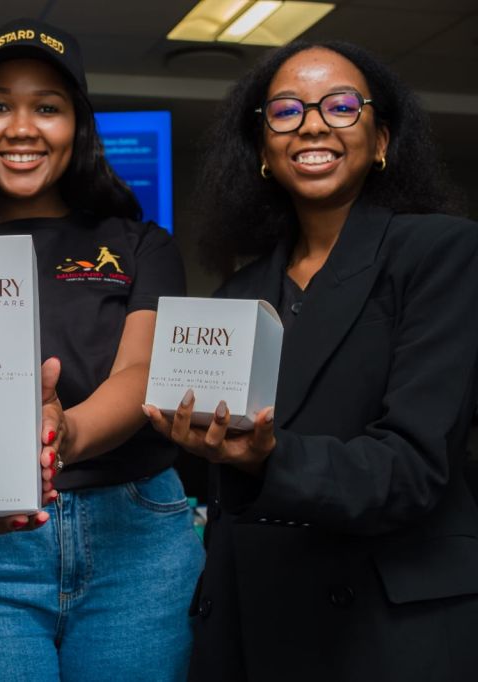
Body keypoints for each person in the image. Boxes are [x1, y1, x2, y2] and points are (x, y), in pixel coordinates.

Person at [0, 18, 204, 681]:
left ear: (77, 127)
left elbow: (142, 371)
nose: (21, 128)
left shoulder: (141, 244)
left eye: (47, 108)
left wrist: (62, 436)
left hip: (135, 541)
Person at [144, 41, 478, 681]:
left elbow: (414, 466)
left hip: (385, 630)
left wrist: (268, 458)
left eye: (341, 106)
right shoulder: (235, 296)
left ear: (381, 140)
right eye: (287, 110)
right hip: (252, 621)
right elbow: (210, 473)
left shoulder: (442, 253)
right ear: (263, 149)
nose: (314, 124)